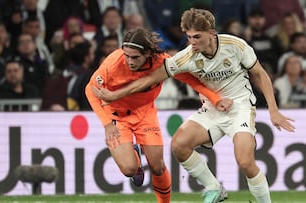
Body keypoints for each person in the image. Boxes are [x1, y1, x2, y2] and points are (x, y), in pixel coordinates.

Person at [92, 8, 295, 203]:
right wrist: (115, 94)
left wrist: (273, 110)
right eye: (189, 37)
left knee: (245, 162)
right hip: (212, 109)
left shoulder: (236, 45)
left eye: (197, 37)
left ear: (211, 33)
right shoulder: (187, 56)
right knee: (179, 145)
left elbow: (259, 73)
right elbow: (150, 79)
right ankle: (214, 188)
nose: (192, 42)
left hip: (240, 106)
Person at [85, 27, 232, 203]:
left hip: (145, 113)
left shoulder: (162, 62)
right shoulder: (113, 64)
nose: (129, 61)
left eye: (135, 57)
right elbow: (90, 90)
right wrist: (107, 124)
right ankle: (135, 157)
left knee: (157, 166)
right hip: (116, 115)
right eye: (126, 55)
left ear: (147, 53)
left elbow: (189, 78)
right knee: (129, 169)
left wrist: (214, 99)